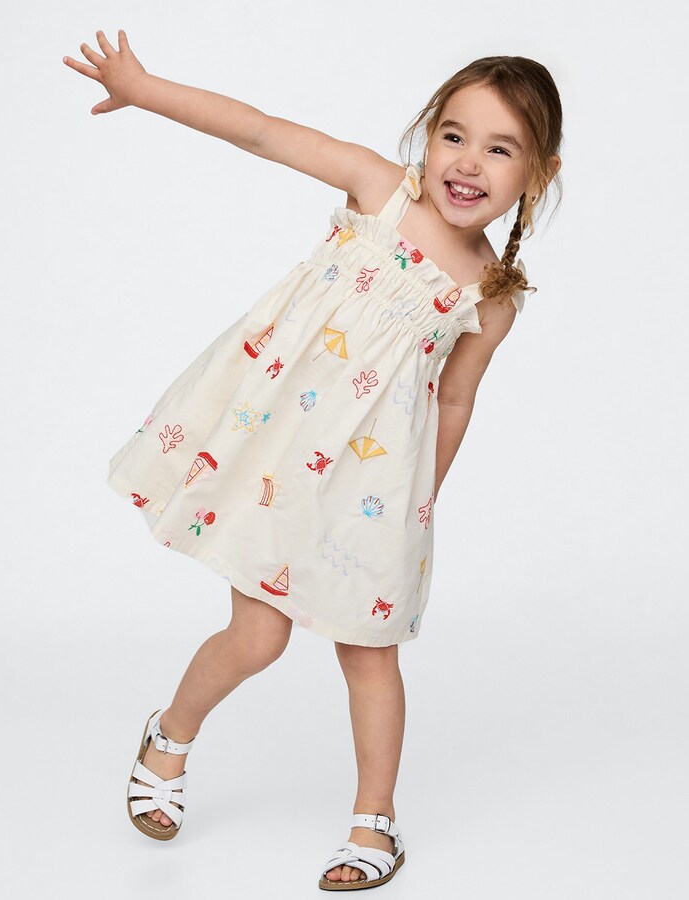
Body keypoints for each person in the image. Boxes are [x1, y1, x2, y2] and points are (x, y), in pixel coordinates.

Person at [63, 30, 562, 891]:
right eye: (453, 135)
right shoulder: (380, 191)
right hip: (278, 455)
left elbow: (453, 401)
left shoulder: (490, 298)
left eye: (499, 148)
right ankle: (169, 734)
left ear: (536, 174)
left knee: (369, 651)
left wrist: (418, 503)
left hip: (367, 489)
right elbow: (259, 129)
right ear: (427, 135)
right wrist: (145, 89)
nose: (467, 162)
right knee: (258, 637)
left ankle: (375, 820)